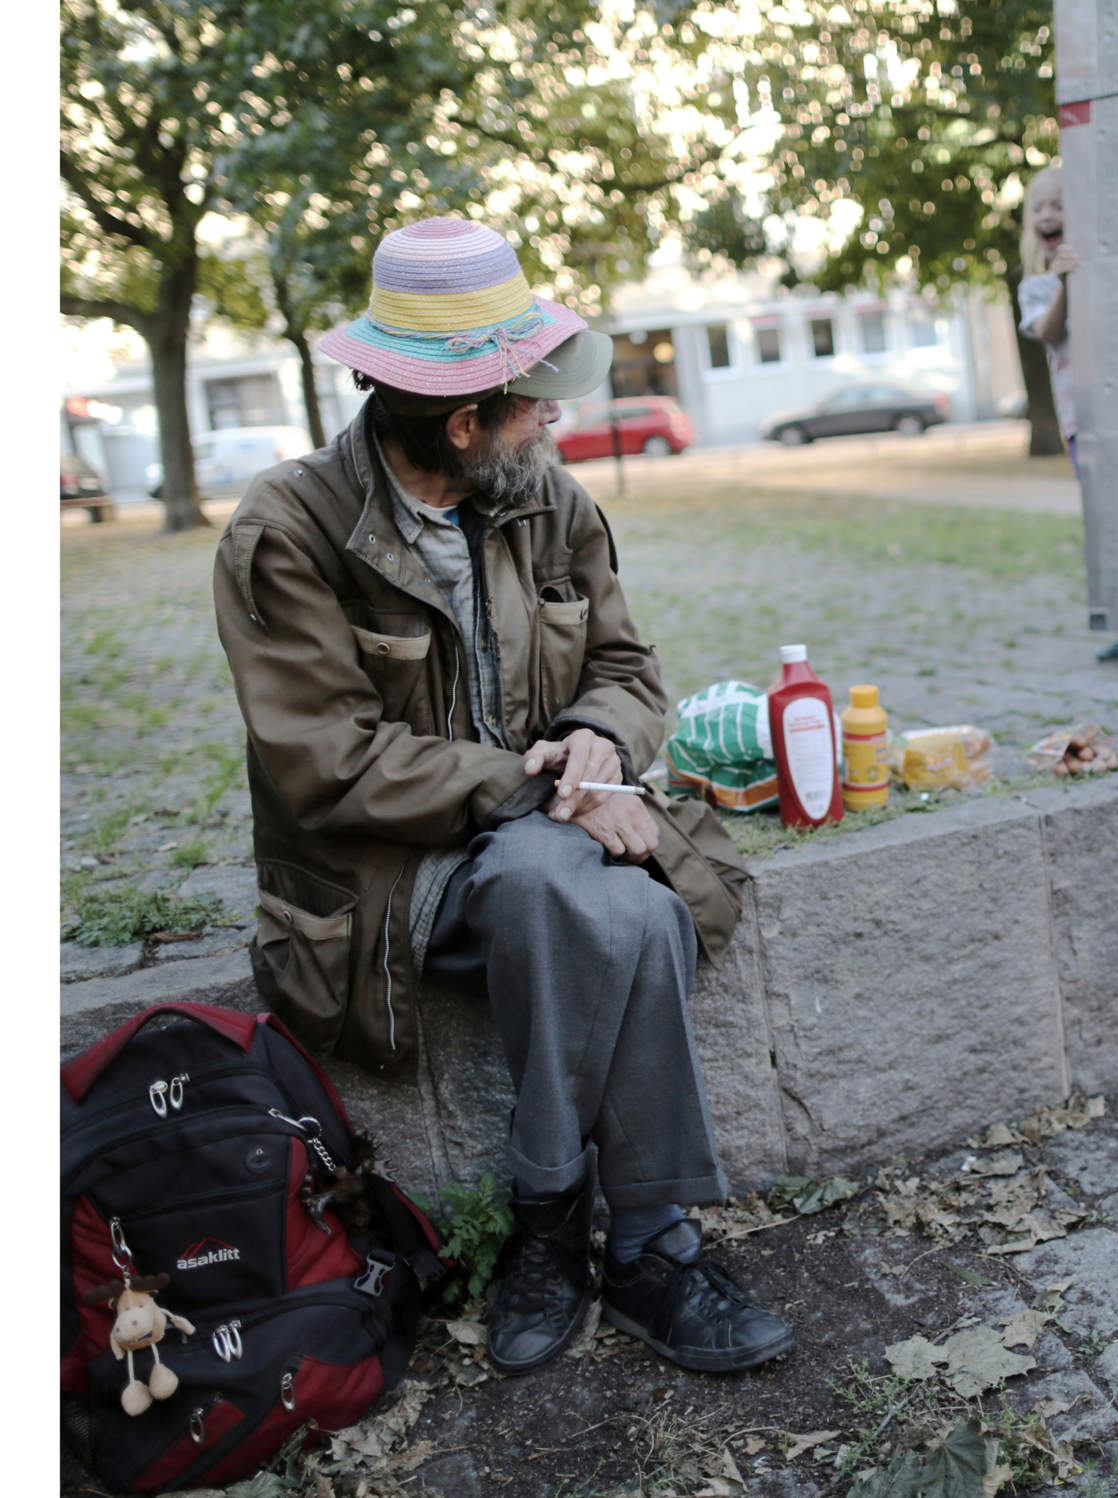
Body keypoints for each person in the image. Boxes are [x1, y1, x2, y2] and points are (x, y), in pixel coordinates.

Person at [212, 216, 796, 1373]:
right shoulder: (286, 532)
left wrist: (587, 743)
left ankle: (555, 1223)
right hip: (395, 871)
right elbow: (323, 760)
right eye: (530, 401)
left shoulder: (549, 500)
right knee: (570, 882)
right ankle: (651, 1247)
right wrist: (539, 790)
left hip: (544, 846)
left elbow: (630, 673)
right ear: (464, 421)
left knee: (581, 896)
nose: (556, 419)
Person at [1017, 166, 1118, 662]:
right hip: (1080, 424)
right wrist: (1065, 282)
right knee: (1109, 525)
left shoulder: (1103, 271)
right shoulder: (1038, 286)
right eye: (1038, 208)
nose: (1047, 215)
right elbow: (1048, 331)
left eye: (1058, 205)